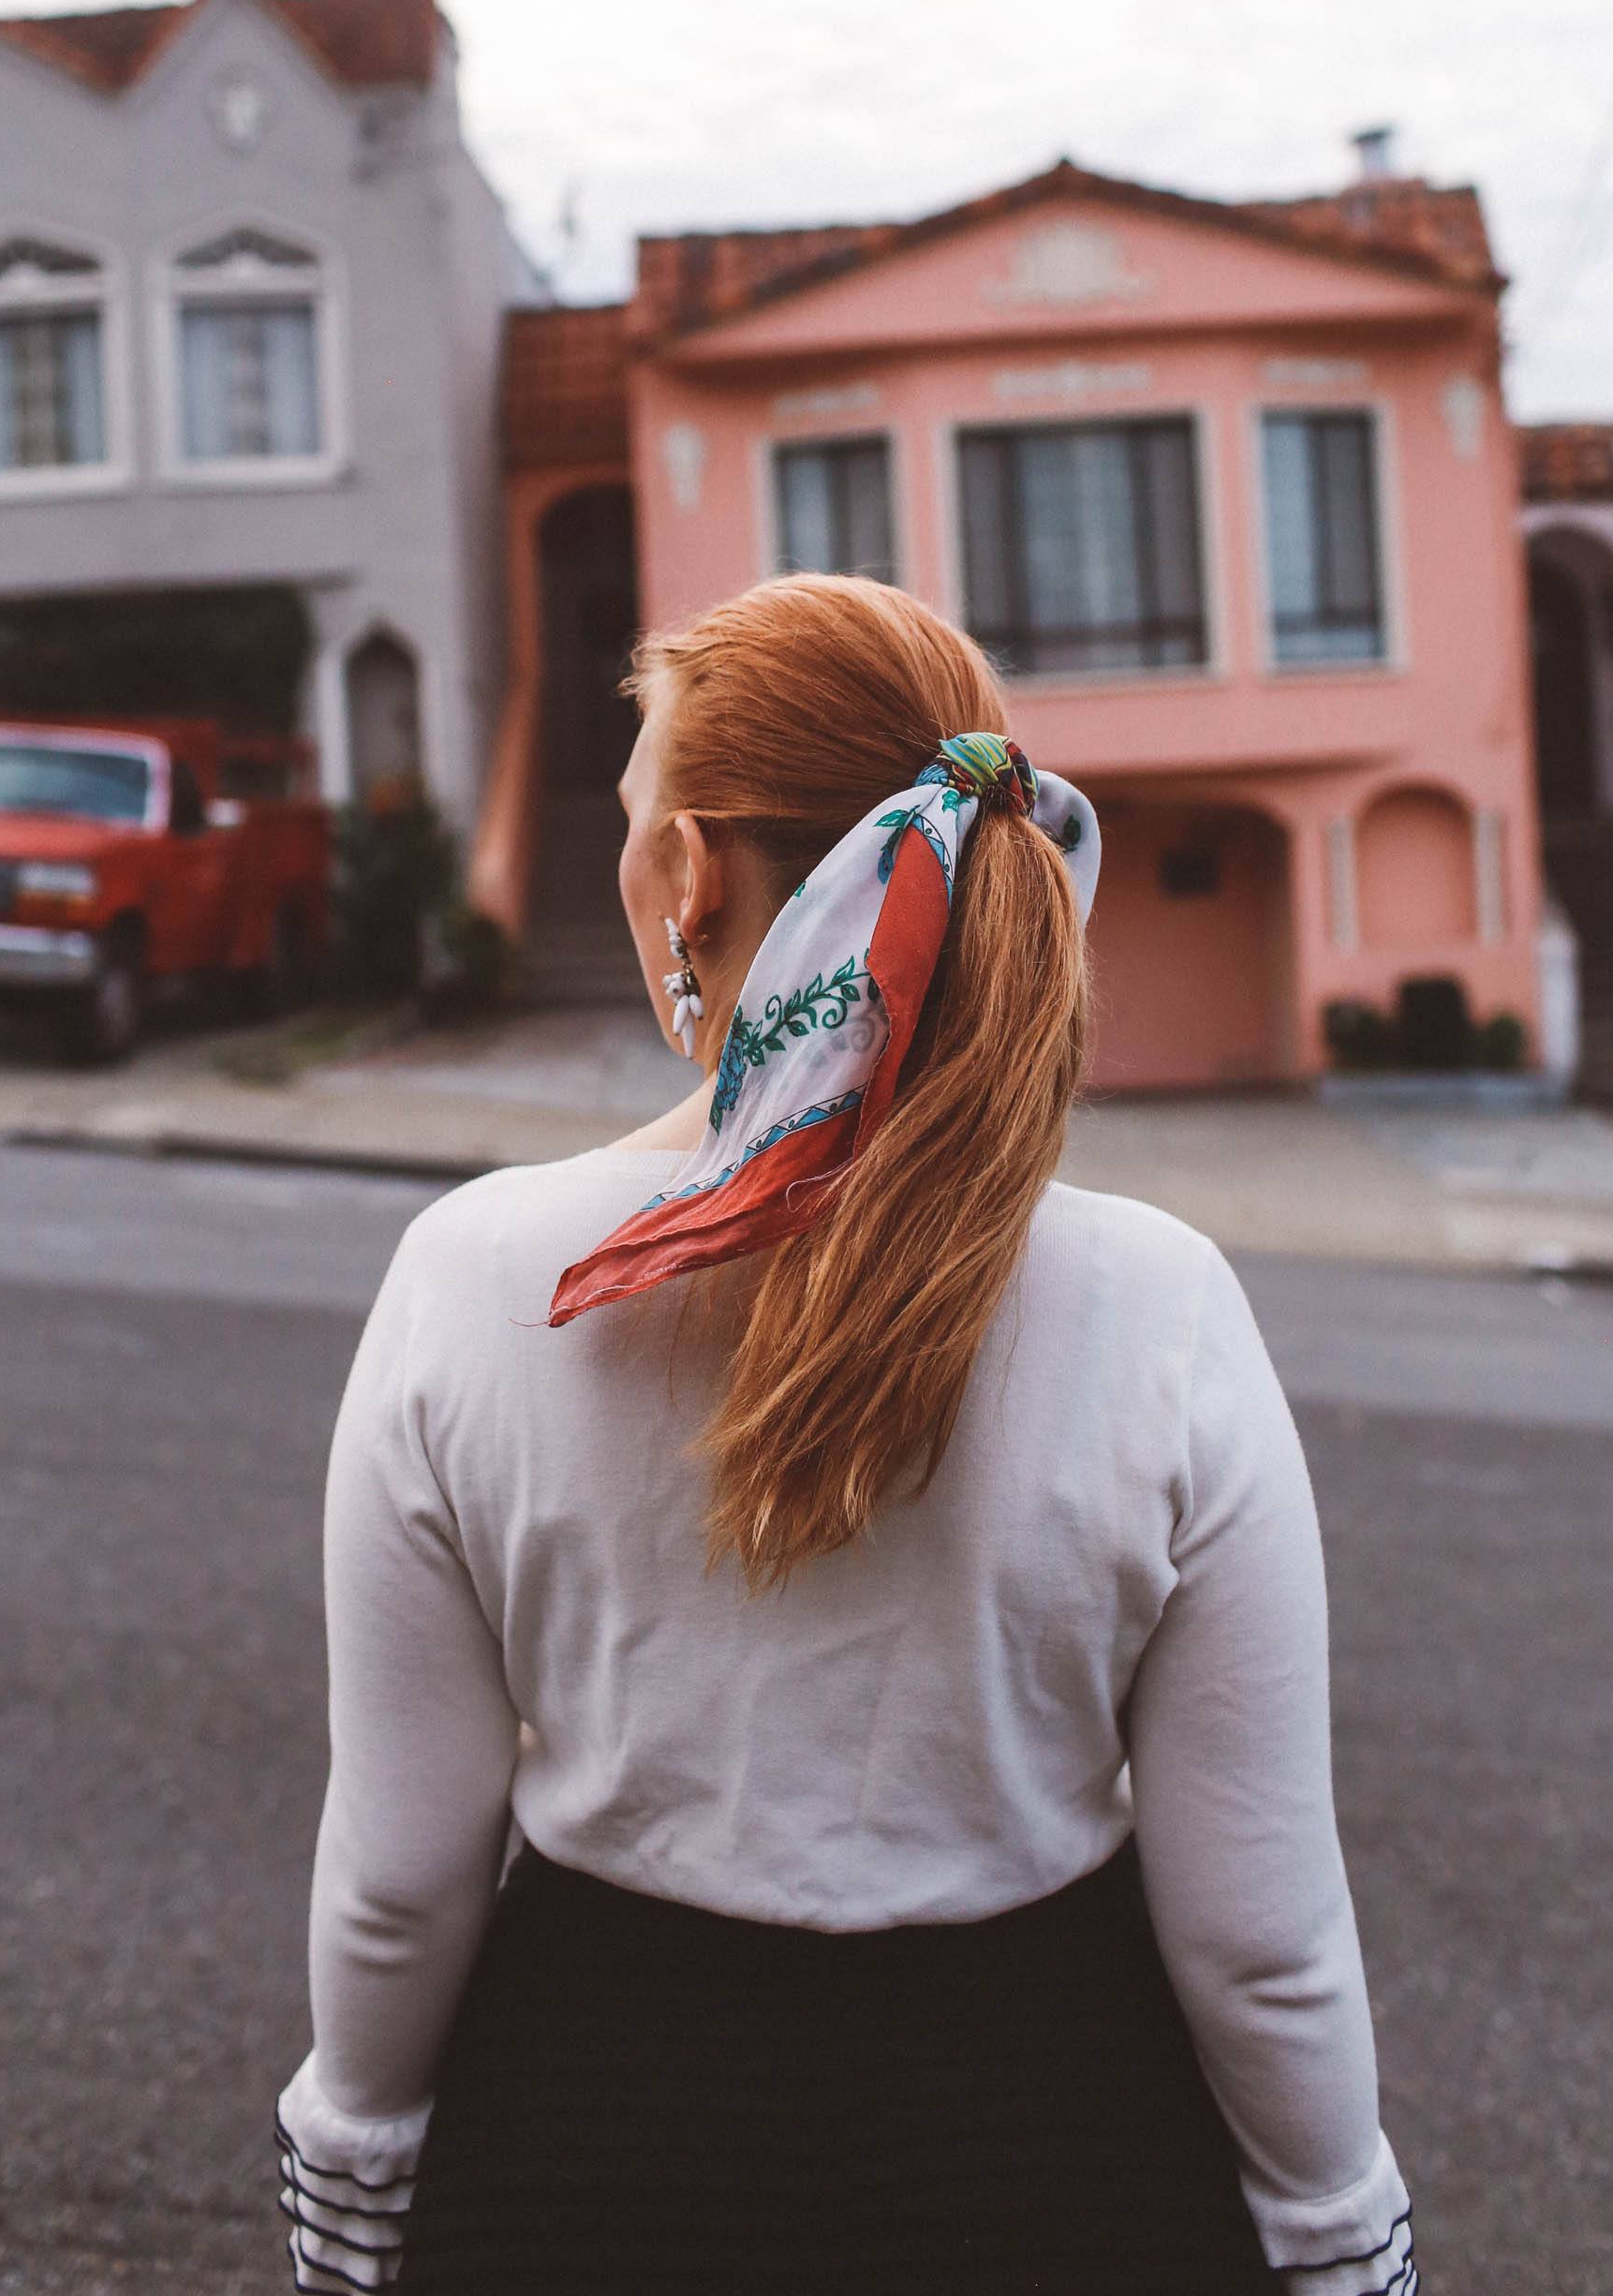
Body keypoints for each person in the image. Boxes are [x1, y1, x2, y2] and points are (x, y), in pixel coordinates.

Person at [274, 574, 1417, 2296]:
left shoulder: (477, 1275)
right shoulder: (1163, 1304)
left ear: (689, 878)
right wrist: (1344, 2244)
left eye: (634, 817)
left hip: (589, 2151)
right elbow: (1260, 1941)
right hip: (1057, 2155)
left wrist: (354, 2180)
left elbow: (399, 1884)